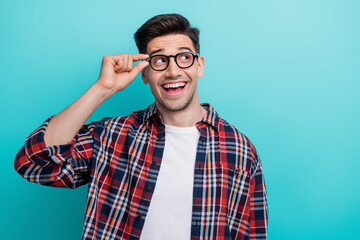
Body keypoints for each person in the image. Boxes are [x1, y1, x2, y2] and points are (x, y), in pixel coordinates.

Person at [14, 13, 268, 240]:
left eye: (184, 57)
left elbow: (253, 232)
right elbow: (34, 162)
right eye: (159, 61)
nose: (172, 71)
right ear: (145, 74)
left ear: (199, 66)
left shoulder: (240, 149)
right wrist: (102, 89)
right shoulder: (113, 135)